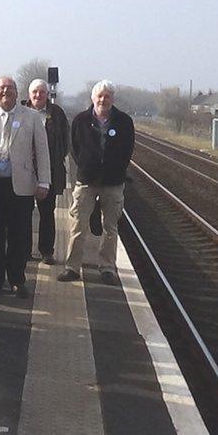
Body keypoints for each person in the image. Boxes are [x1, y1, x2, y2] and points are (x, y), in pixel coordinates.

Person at [0, 76, 50, 299]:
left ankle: (17, 279)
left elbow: (43, 152)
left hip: (21, 186)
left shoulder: (33, 118)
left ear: (17, 93)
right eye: (0, 89)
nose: (5, 92)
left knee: (19, 235)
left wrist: (44, 181)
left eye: (9, 88)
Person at [59, 80, 135, 286]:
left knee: (110, 227)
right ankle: (72, 267)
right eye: (100, 96)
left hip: (113, 182)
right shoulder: (81, 120)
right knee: (78, 224)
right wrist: (86, 165)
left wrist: (116, 168)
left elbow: (128, 149)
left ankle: (108, 268)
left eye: (107, 96)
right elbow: (74, 148)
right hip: (86, 180)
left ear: (113, 99)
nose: (103, 99)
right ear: (93, 98)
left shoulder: (124, 122)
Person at [25, 79, 70, 264]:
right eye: (35, 92)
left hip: (49, 171)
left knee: (47, 213)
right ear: (29, 95)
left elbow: (66, 140)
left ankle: (46, 251)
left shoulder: (57, 114)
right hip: (25, 172)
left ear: (47, 95)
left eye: (41, 92)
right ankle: (24, 250)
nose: (38, 95)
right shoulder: (21, 112)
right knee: (24, 213)